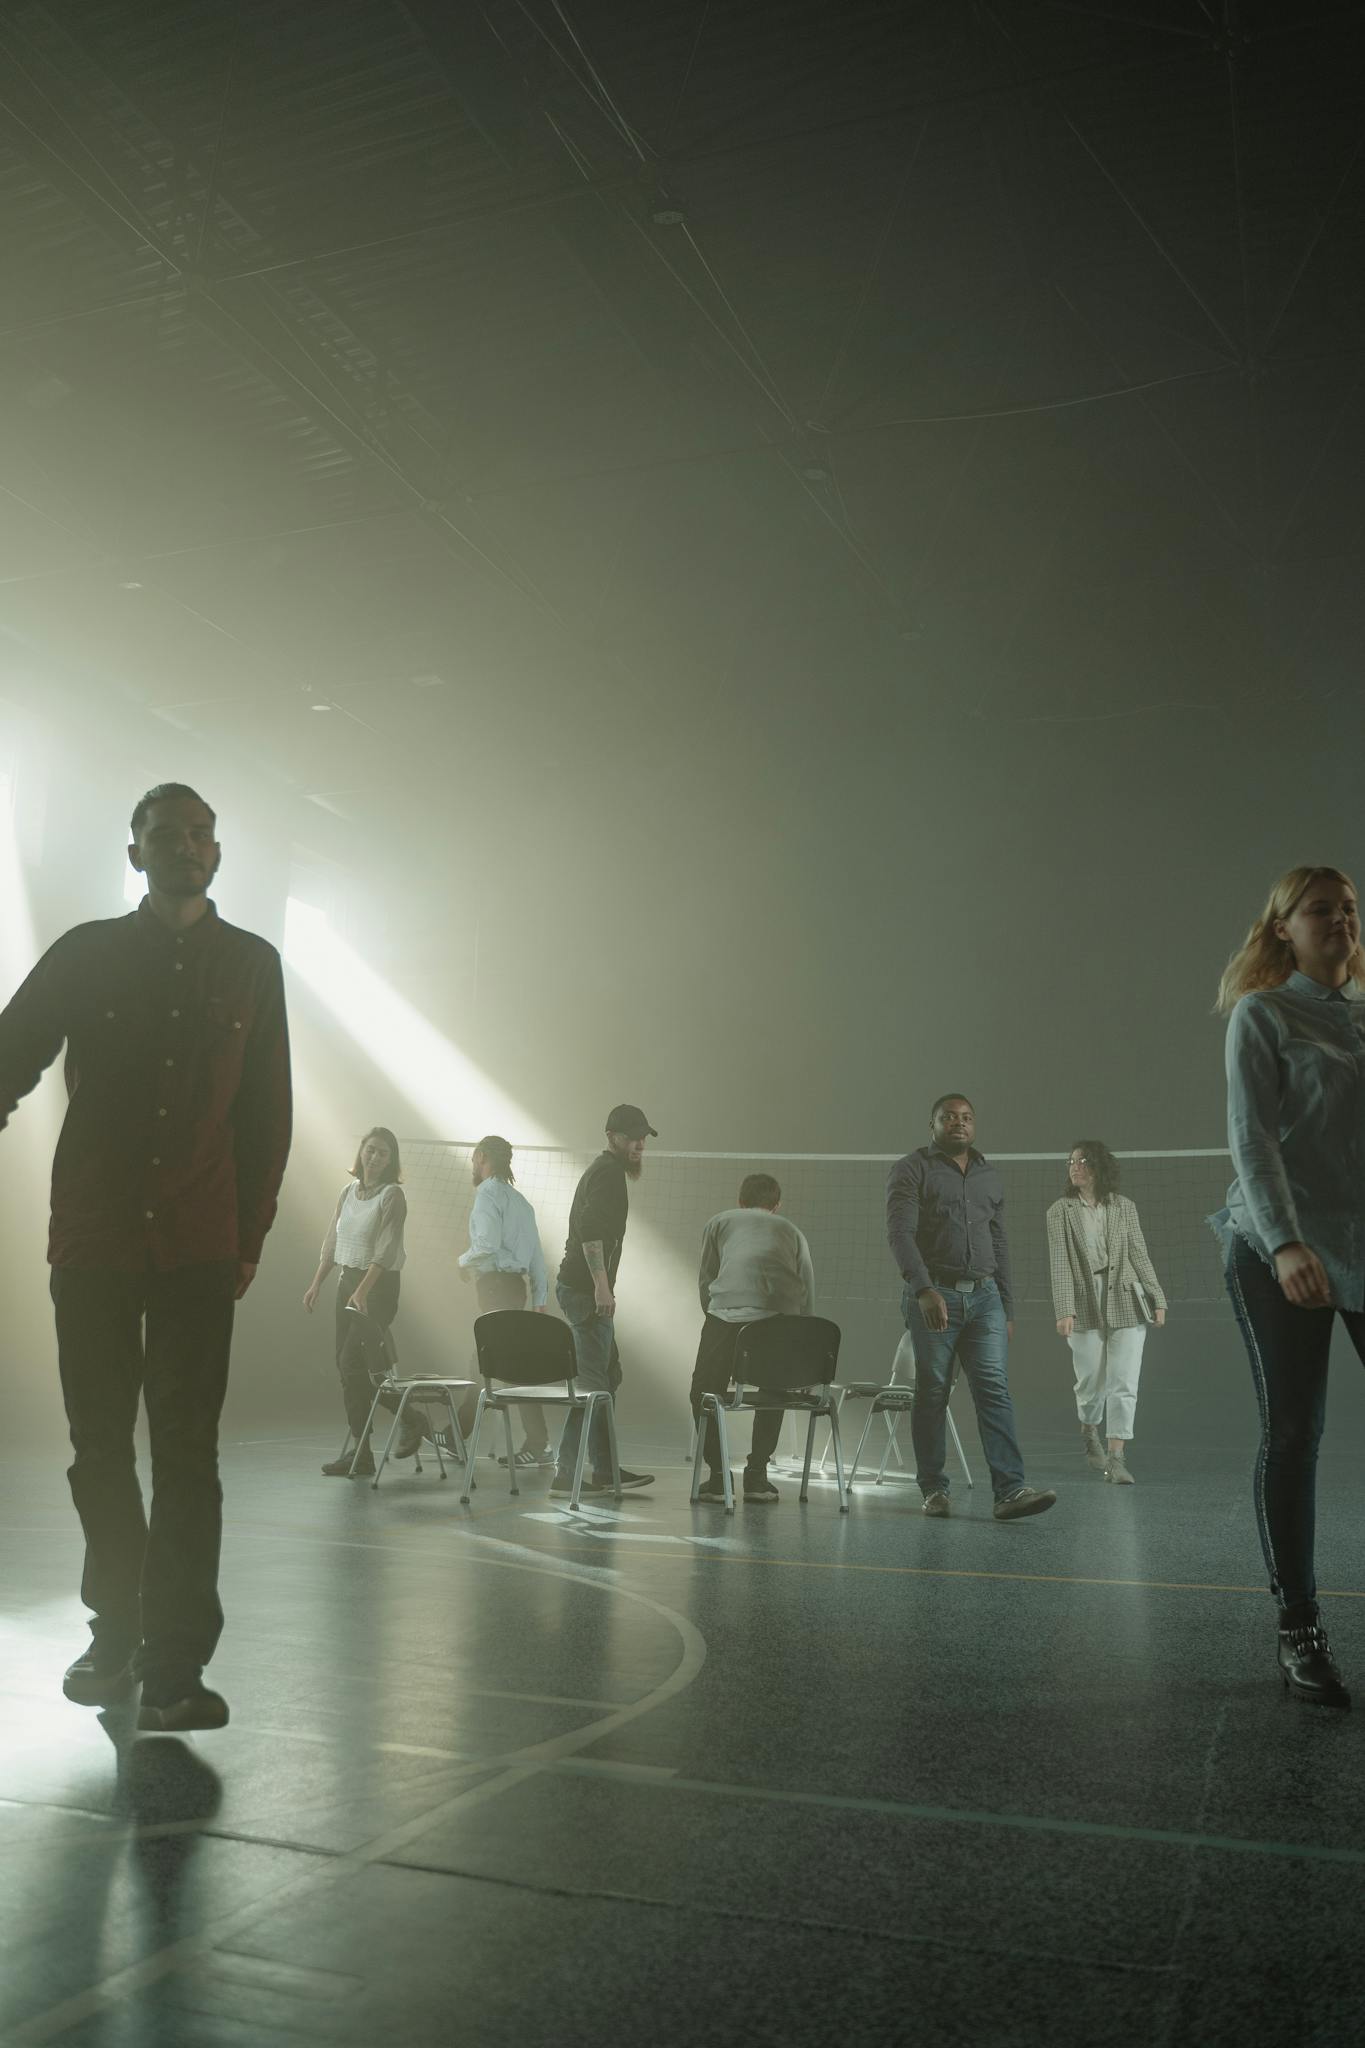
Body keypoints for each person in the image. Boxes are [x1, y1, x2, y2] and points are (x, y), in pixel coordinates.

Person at [0, 783, 291, 1732]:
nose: (186, 845)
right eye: (166, 834)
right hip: (93, 1238)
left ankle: (172, 1666)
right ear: (136, 854)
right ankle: (115, 1630)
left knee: (187, 1454)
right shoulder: (87, 952)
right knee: (97, 1450)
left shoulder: (253, 965)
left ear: (218, 852)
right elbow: (11, 1052)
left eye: (202, 832)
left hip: (199, 1248)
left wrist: (246, 1238)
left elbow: (267, 1114)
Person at [1213, 864, 1365, 1709]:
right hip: (1279, 1248)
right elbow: (1250, 1139)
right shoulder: (1262, 1014)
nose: (1338, 919)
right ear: (1283, 928)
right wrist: (1283, 1243)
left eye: (1348, 908)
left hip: (1361, 1238)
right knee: (1296, 1431)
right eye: (1319, 910)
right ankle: (1298, 1629)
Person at [886, 1093, 1056, 1521]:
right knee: (933, 1391)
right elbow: (901, 1235)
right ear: (933, 1124)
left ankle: (1010, 1491)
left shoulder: (988, 1175)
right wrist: (924, 1290)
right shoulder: (912, 1169)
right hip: (935, 1296)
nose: (959, 1123)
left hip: (986, 1300)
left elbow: (998, 1242)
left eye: (966, 1118)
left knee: (993, 1388)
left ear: (974, 1125)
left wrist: (1008, 1306)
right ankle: (933, 1490)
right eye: (949, 1118)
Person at [690, 1172, 816, 1505]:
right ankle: (758, 1477)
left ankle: (718, 1478)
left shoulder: (718, 1222)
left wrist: (716, 1316)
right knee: (773, 1393)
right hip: (775, 1322)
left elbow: (706, 1278)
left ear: (741, 1201)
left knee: (702, 1393)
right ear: (777, 1205)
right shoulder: (792, 1231)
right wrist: (804, 1346)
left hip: (724, 1318)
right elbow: (807, 1291)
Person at [551, 1106, 657, 1498]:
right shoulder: (609, 1174)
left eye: (643, 1136)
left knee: (607, 1380)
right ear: (612, 1136)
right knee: (593, 1387)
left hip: (581, 1287)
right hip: (583, 1290)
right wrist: (601, 1286)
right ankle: (565, 1473)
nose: (639, 1143)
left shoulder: (607, 1172)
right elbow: (591, 1230)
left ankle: (604, 1470)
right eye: (632, 1136)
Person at [1046, 1141, 1167, 1484]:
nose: (1075, 1166)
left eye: (1082, 1161)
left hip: (1126, 1297)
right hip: (1085, 1299)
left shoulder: (1124, 1207)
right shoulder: (1060, 1210)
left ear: (1098, 1166)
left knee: (1124, 1381)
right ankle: (1089, 1431)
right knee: (1090, 1384)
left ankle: (1116, 1458)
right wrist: (1064, 1308)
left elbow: (1139, 1254)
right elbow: (1059, 1264)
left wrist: (1158, 1298)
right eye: (1070, 1161)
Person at [305, 1127, 418, 1477]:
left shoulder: (392, 1196)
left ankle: (411, 1418)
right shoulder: (347, 1193)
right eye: (370, 1150)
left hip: (378, 1288)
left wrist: (364, 1291)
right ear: (361, 1153)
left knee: (353, 1363)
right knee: (346, 1368)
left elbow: (385, 1251)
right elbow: (332, 1243)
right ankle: (363, 1452)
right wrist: (316, 1284)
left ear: (390, 1160)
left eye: (382, 1152)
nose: (374, 1157)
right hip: (347, 1283)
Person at [458, 1134, 551, 1466]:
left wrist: (462, 1262)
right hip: (516, 1286)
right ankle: (462, 1433)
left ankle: (459, 1433)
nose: (472, 1164)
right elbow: (538, 1257)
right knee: (503, 1361)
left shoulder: (487, 1195)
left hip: (496, 1285)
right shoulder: (521, 1202)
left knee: (500, 1364)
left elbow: (485, 1244)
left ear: (482, 1156)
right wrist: (540, 1298)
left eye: (473, 1158)